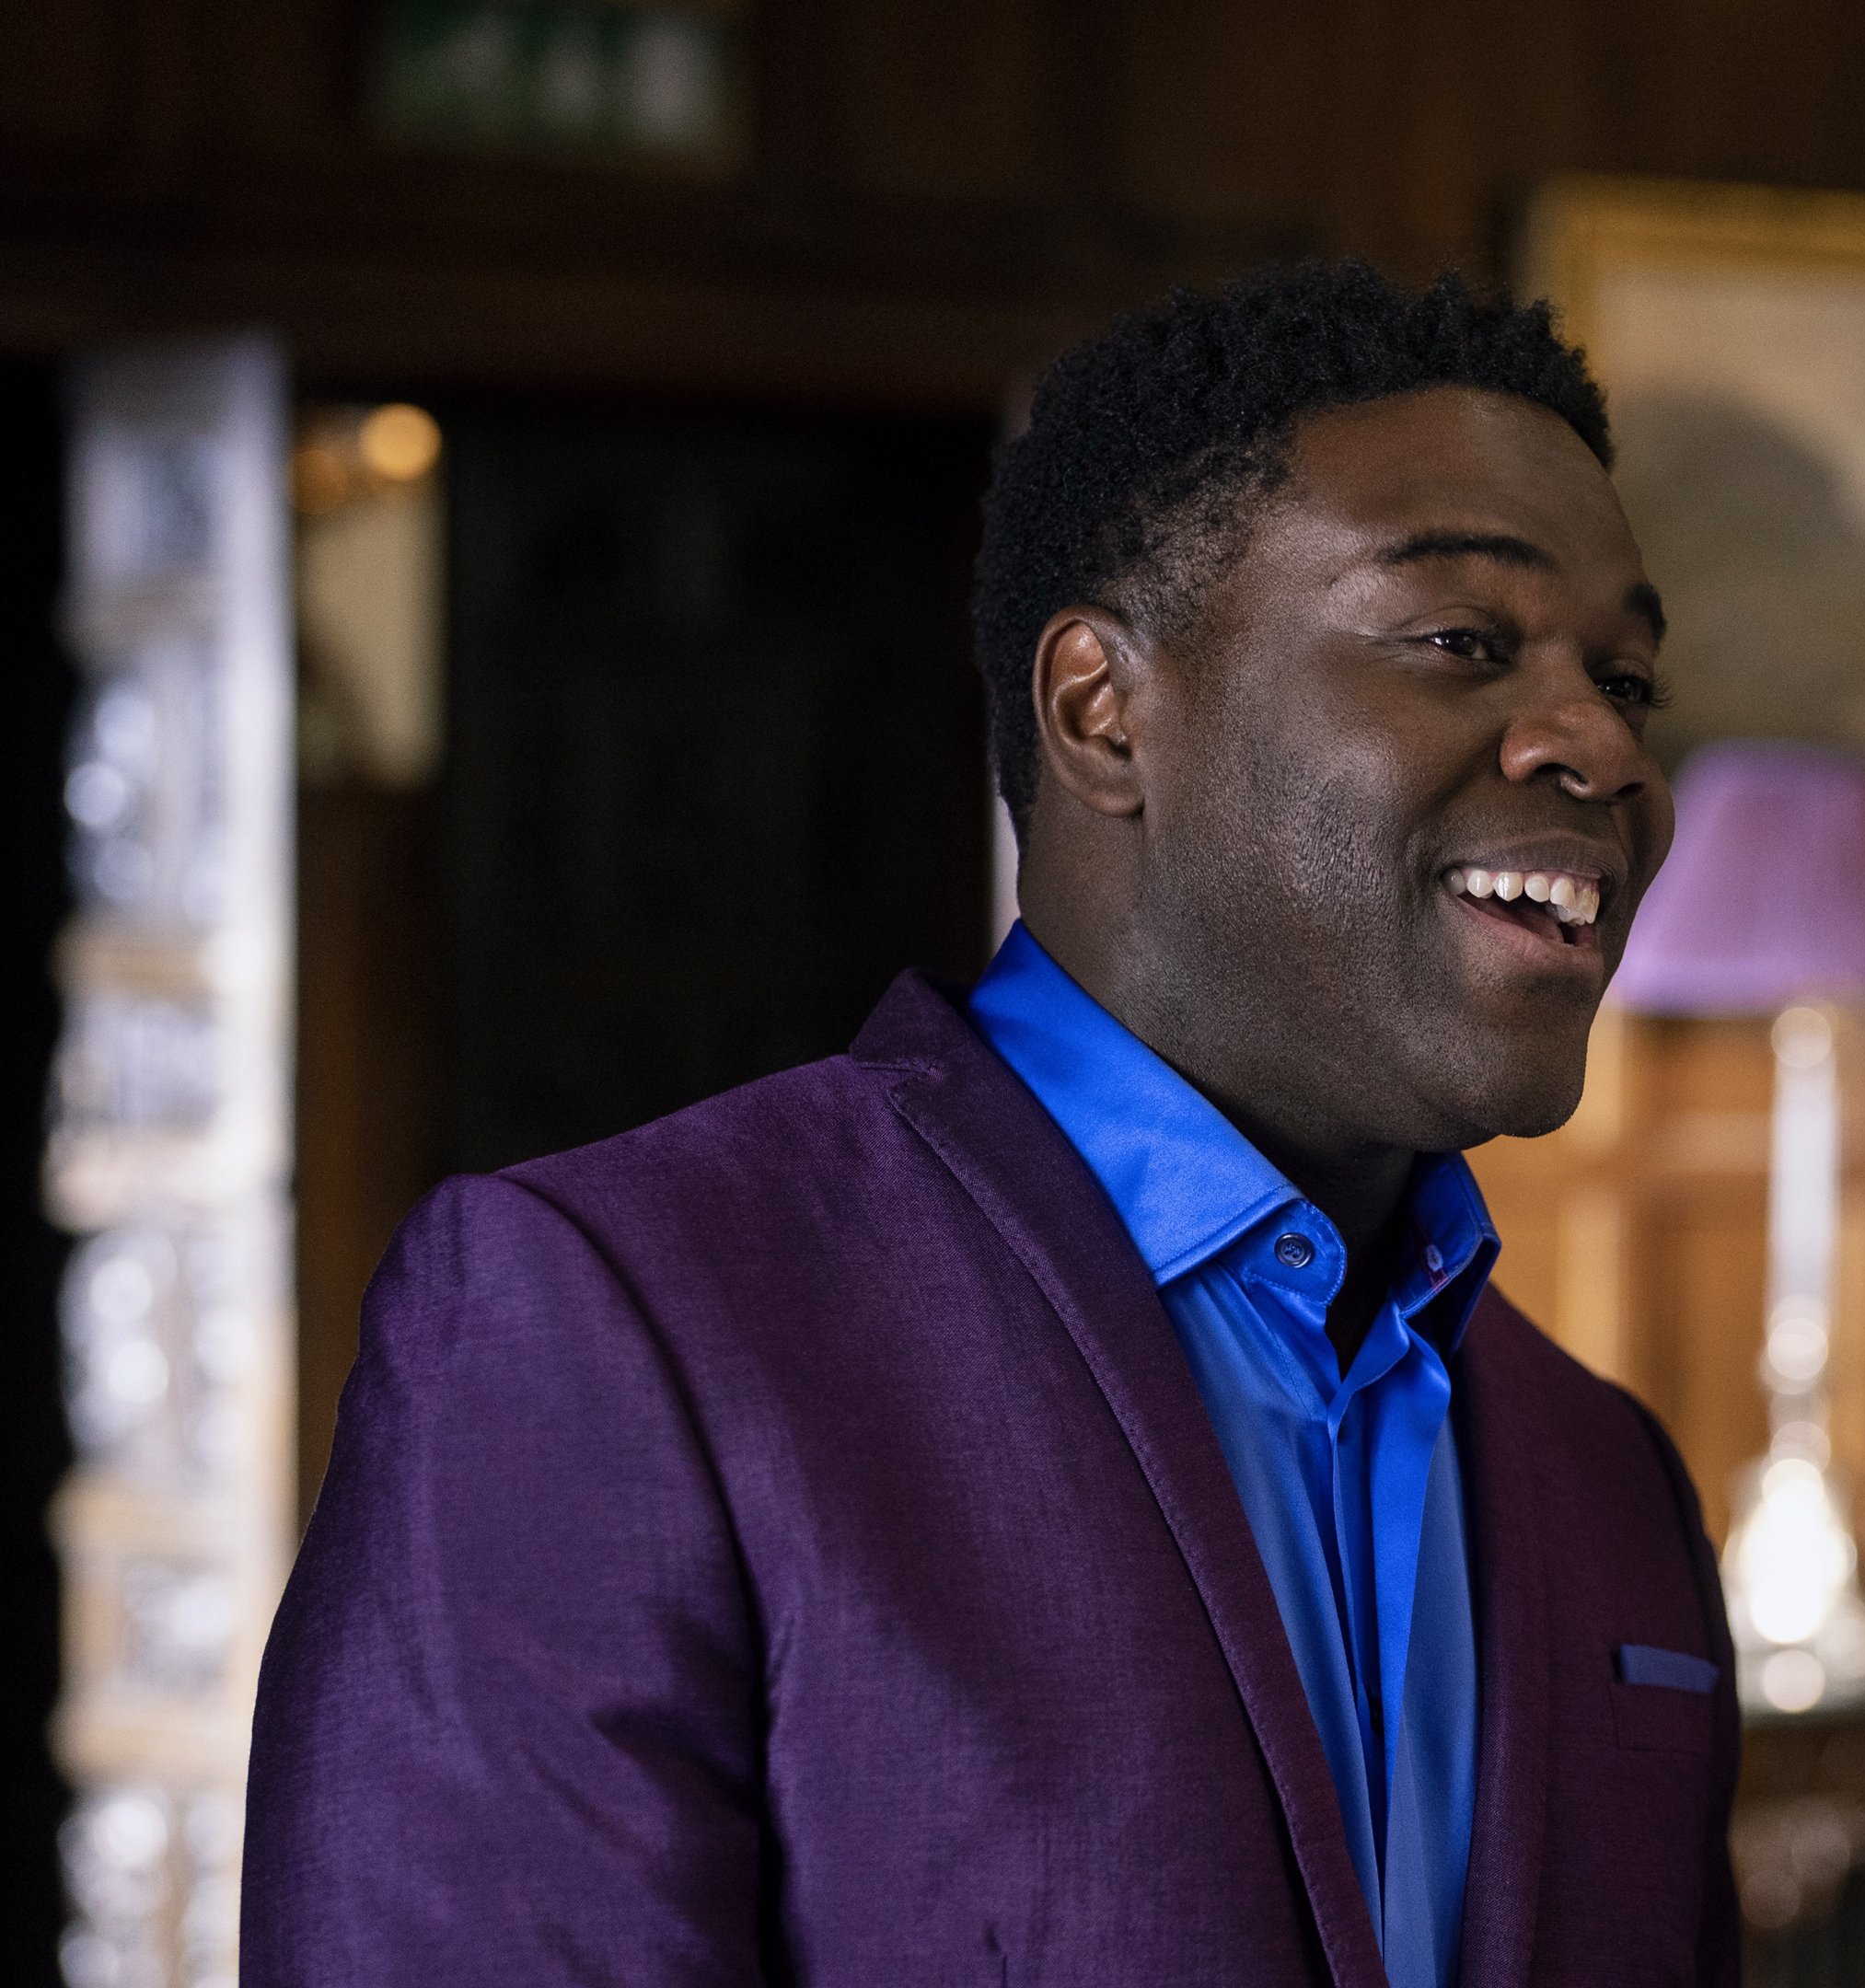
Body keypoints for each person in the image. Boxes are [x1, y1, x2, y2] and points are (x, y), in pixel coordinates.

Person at [245, 262, 1742, 1986]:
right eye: (1464, 642)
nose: (1604, 748)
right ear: (1103, 711)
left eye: (1628, 681)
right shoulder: (606, 1324)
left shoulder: (1605, 1473)